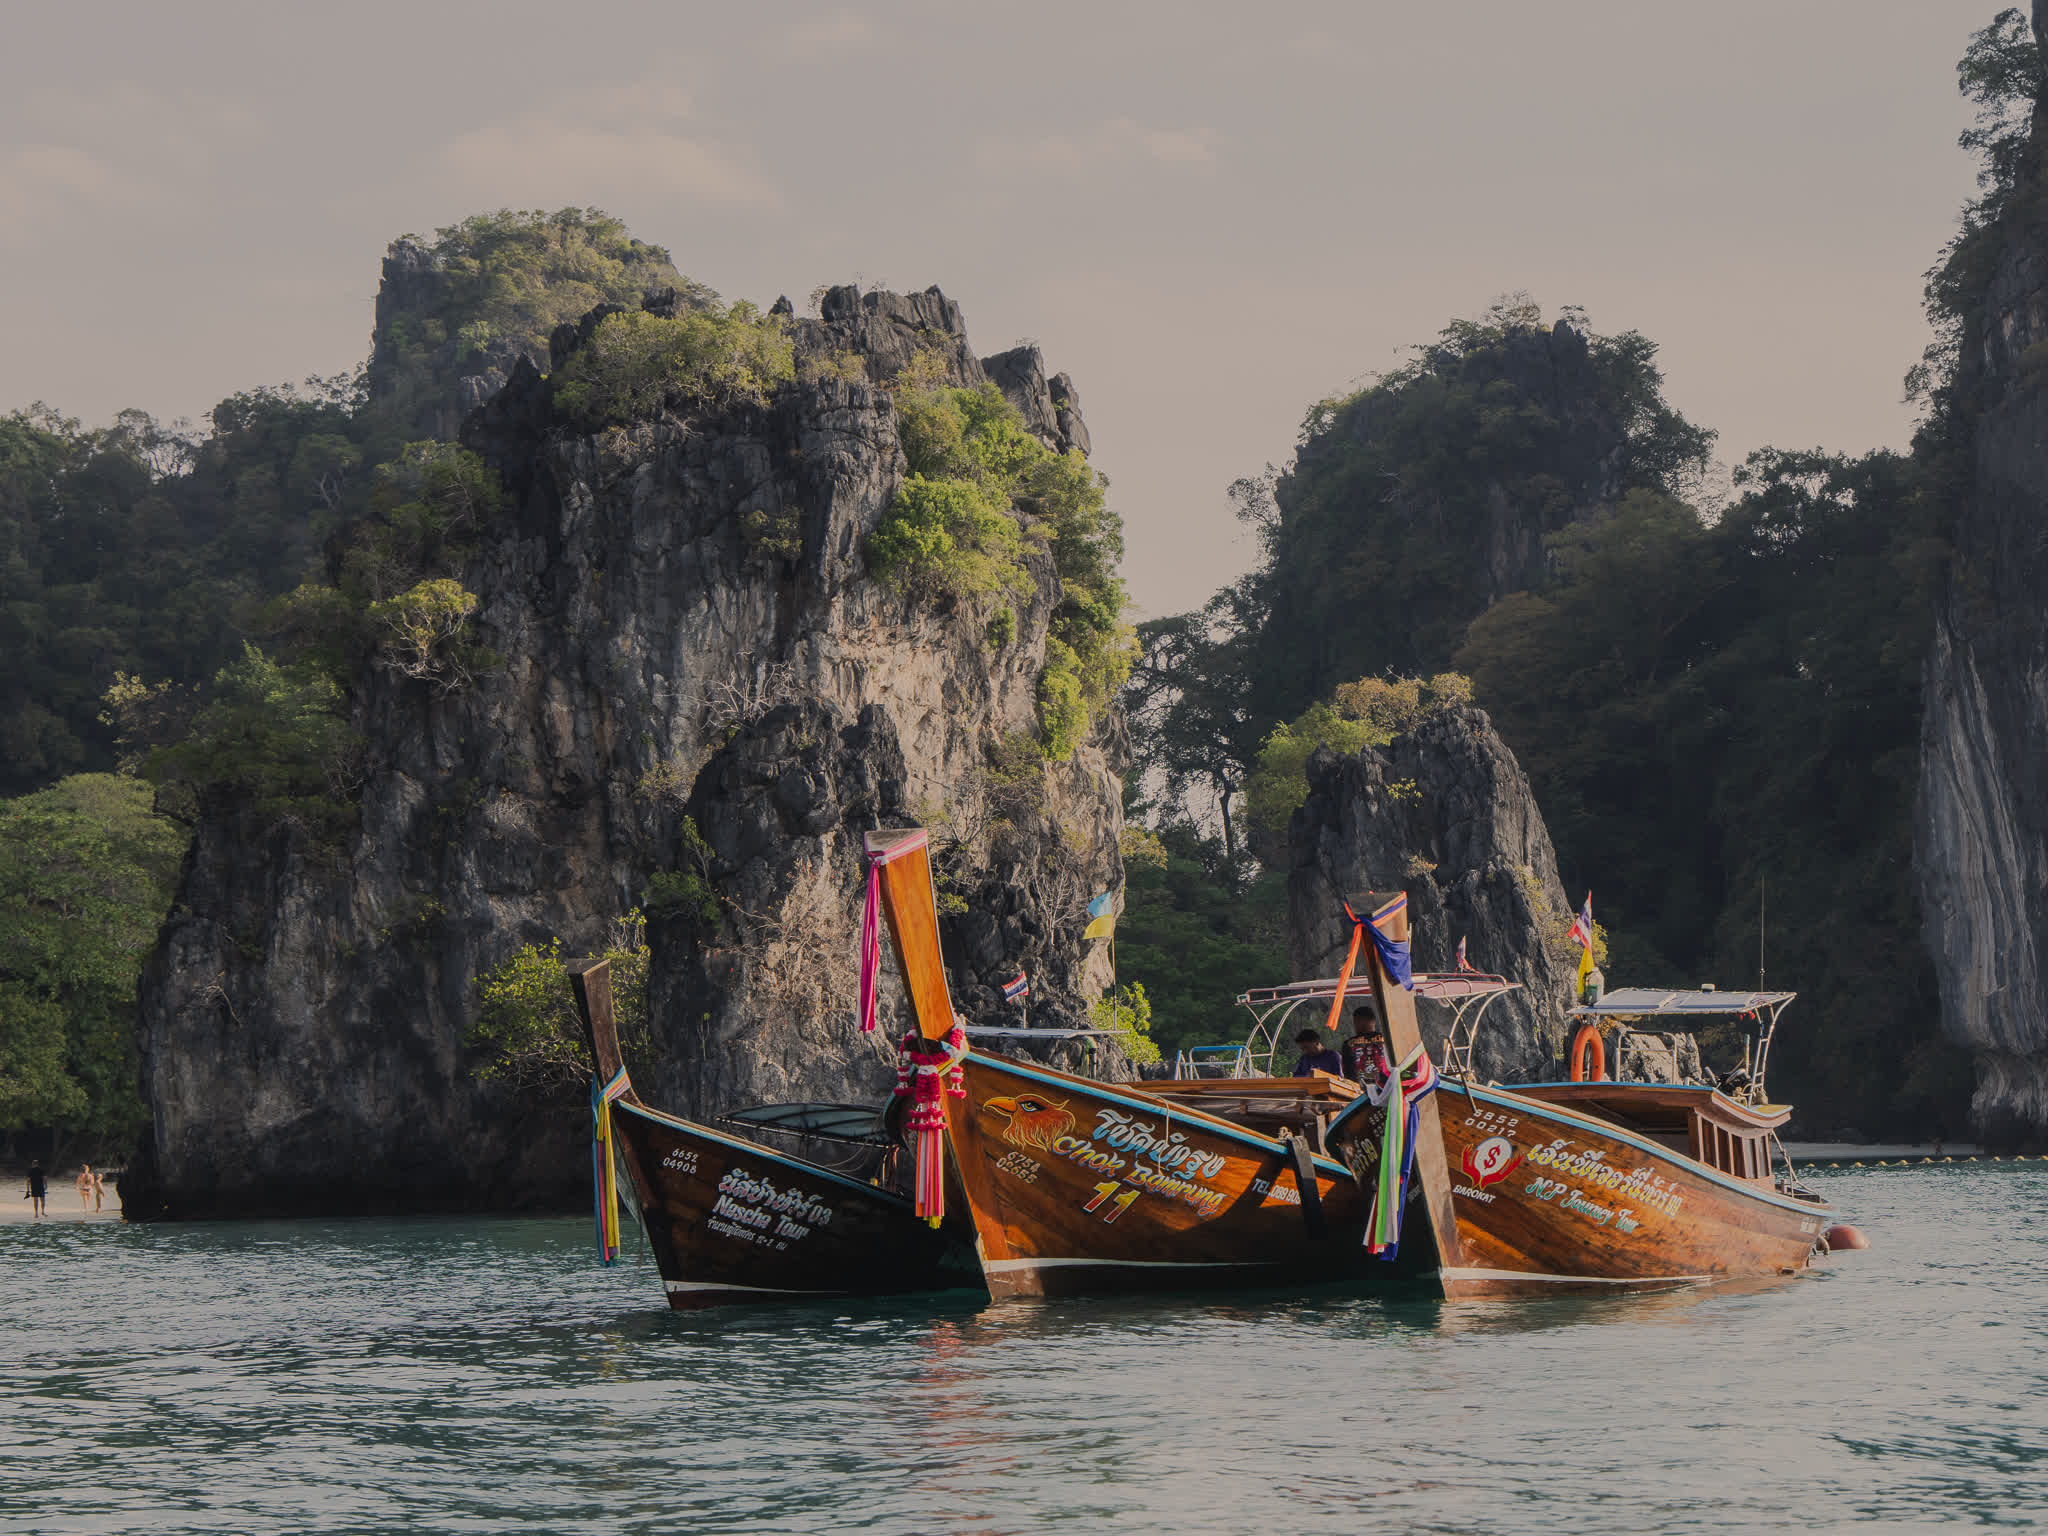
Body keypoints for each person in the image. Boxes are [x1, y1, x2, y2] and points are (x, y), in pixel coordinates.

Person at [1342, 1008, 1392, 1090]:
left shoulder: (1349, 1044)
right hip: (1387, 1089)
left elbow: (1347, 1073)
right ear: (1374, 1021)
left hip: (1359, 1092)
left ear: (1358, 1021)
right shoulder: (1388, 1040)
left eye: (1355, 1022)